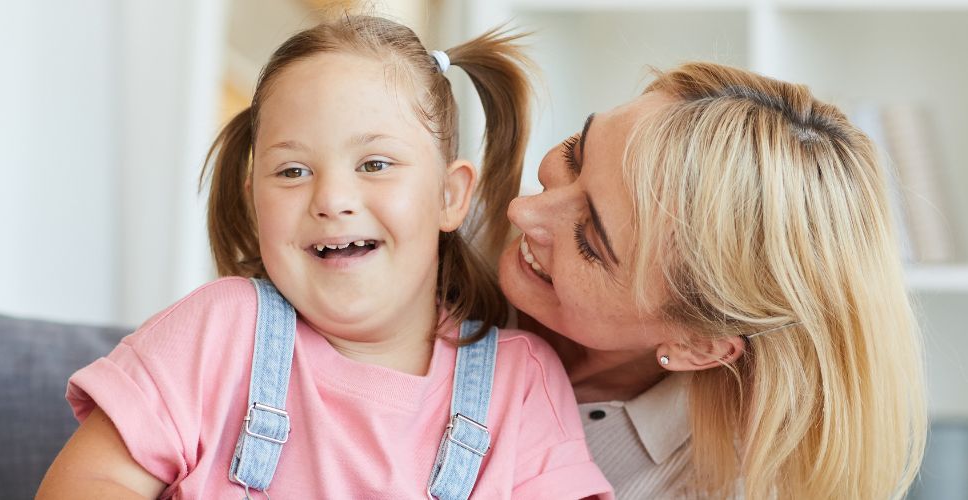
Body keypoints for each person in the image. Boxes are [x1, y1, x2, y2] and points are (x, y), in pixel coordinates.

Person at [36, 15, 612, 499]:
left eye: (375, 164)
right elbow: (89, 481)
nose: (332, 199)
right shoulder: (220, 329)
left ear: (449, 195)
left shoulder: (521, 381)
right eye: (292, 171)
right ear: (256, 204)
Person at [492, 62, 927, 499]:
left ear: (697, 346)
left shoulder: (711, 488)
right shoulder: (447, 230)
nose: (523, 212)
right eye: (575, 155)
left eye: (589, 241)